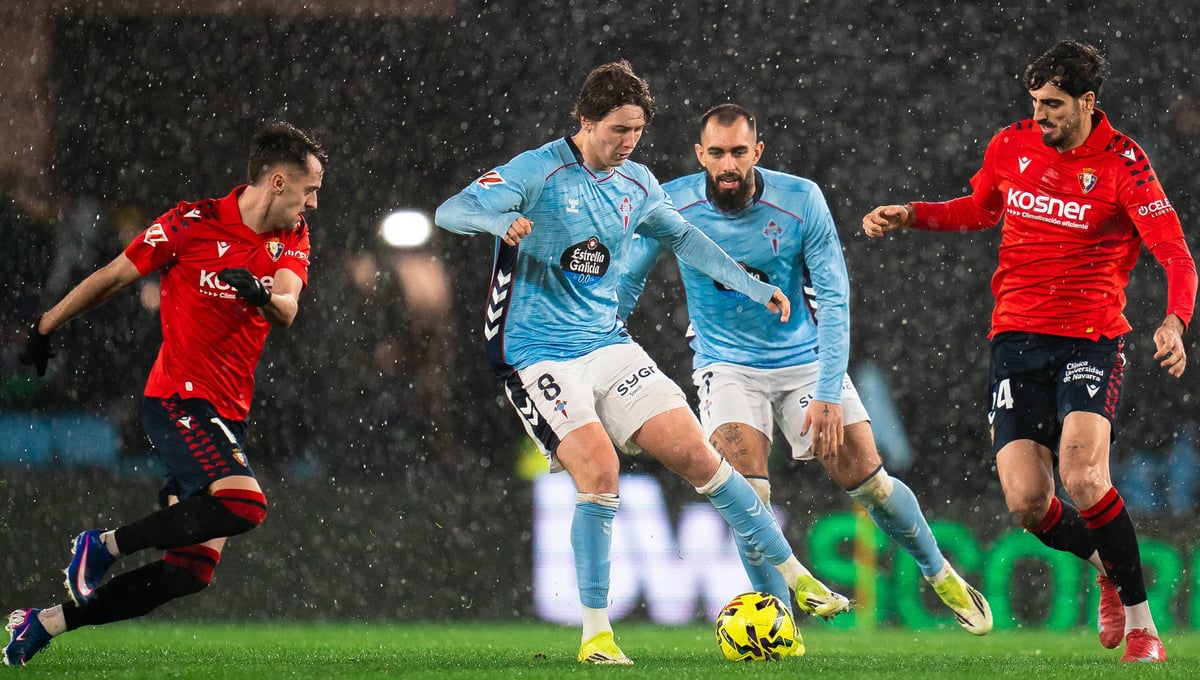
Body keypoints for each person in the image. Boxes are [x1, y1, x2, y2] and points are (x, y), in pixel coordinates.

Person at [435, 61, 849, 666]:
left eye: (636, 130)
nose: (628, 142)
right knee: (600, 470)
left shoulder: (636, 181)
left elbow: (683, 238)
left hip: (606, 341)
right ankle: (597, 636)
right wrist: (499, 220)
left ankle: (795, 576)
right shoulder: (534, 171)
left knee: (698, 455)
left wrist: (752, 285)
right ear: (585, 121)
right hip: (536, 352)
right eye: (617, 130)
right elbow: (451, 211)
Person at [862, 40, 1196, 663]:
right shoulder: (1012, 145)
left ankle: (1144, 627)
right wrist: (913, 214)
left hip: (1091, 338)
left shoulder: (1125, 164)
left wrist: (1174, 322)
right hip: (1016, 340)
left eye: (1053, 104)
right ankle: (1106, 566)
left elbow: (1175, 254)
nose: (1039, 115)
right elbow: (979, 210)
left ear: (1088, 102)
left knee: (1083, 475)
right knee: (1027, 503)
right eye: (1035, 102)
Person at [618, 103, 993, 636]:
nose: (728, 165)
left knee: (869, 484)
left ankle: (939, 573)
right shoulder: (672, 203)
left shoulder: (800, 200)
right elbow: (629, 277)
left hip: (803, 362)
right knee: (749, 499)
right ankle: (779, 627)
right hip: (726, 365)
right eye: (717, 153)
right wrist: (601, 338)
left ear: (758, 151)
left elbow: (835, 299)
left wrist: (828, 392)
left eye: (739, 152)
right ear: (700, 154)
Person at [4, 122, 326, 667]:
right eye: (309, 190)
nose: (313, 203)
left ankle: (45, 623)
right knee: (246, 504)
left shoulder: (291, 237)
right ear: (278, 182)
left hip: (228, 414)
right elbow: (114, 276)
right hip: (178, 400)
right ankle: (103, 545)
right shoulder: (190, 223)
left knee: (187, 573)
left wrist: (261, 295)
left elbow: (288, 308)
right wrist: (44, 326)